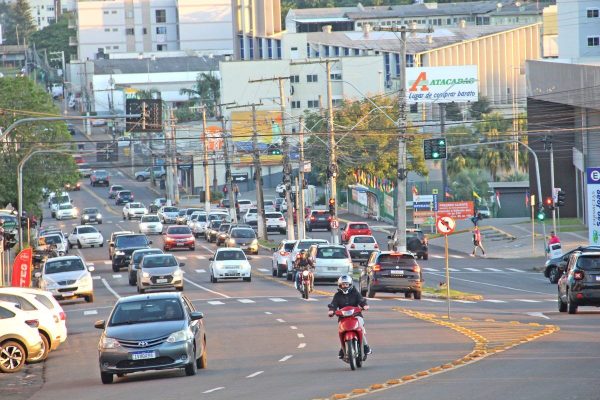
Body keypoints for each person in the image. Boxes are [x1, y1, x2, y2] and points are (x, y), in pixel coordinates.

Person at [328, 275, 371, 358]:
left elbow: (361, 300)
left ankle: (366, 347)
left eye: (346, 284)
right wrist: (331, 310)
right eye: (343, 284)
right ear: (340, 285)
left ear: (350, 284)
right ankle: (342, 348)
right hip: (343, 318)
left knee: (360, 327)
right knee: (341, 331)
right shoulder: (337, 295)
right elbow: (333, 304)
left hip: (356, 316)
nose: (345, 286)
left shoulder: (355, 293)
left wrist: (365, 305)